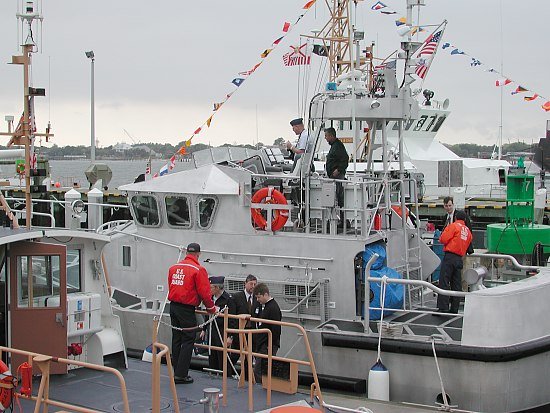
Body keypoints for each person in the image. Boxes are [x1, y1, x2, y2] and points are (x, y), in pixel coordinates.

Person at [168, 242, 217, 384]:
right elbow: (205, 292)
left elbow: (171, 285)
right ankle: (181, 374)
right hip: (186, 308)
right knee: (188, 339)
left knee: (176, 339)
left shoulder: (174, 268)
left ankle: (176, 370)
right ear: (198, 254)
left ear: (186, 253)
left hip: (173, 307)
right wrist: (211, 309)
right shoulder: (198, 269)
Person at [436, 211, 473, 314]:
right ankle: (455, 308)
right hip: (459, 258)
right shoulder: (468, 231)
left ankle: (443, 307)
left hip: (450, 256)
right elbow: (468, 242)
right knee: (456, 284)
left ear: (456, 218)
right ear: (465, 219)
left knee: (444, 281)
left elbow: (443, 238)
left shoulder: (454, 226)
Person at [200, 276, 237, 373]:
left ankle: (224, 377)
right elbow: (207, 315)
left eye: (211, 287)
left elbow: (232, 319)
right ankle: (212, 374)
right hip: (212, 330)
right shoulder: (210, 299)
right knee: (212, 354)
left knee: (222, 356)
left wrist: (230, 336)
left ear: (217, 288)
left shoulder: (228, 300)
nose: (209, 289)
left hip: (222, 331)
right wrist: (204, 329)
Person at [252, 283, 282, 383]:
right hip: (264, 343)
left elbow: (276, 329)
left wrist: (270, 344)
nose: (257, 300)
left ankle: (262, 389)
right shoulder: (267, 306)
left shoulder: (273, 308)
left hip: (268, 344)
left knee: (259, 369)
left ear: (265, 294)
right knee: (261, 368)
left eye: (259, 297)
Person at [231, 274, 258, 378]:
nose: (253, 286)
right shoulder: (237, 297)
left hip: (251, 332)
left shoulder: (256, 298)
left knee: (249, 357)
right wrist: (232, 333)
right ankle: (228, 372)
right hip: (240, 331)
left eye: (255, 284)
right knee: (235, 353)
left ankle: (247, 376)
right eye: (251, 284)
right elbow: (233, 316)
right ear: (245, 284)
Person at [324, 127, 349, 208]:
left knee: (338, 194)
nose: (325, 138)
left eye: (326, 136)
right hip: (333, 175)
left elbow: (345, 159)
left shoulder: (338, 146)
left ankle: (341, 210)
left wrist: (338, 170)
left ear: (331, 136)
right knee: (335, 194)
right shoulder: (335, 146)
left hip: (337, 175)